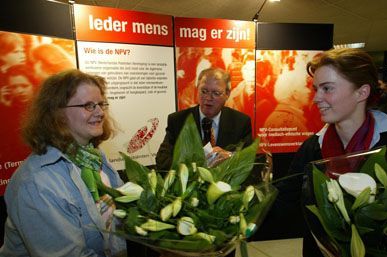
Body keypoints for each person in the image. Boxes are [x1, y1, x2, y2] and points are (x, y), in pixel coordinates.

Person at [273, 48, 387, 257]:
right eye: (316, 89)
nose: (316, 98)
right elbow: (282, 203)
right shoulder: (312, 149)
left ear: (361, 92)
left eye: (327, 88)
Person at [0, 69, 126, 257]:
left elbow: (121, 215)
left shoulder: (94, 157)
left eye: (101, 104)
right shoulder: (37, 183)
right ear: (57, 114)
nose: (100, 112)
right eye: (89, 105)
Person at [156, 67, 253, 171]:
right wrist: (194, 168)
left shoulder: (240, 122)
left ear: (227, 94)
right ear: (197, 89)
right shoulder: (178, 120)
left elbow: (250, 161)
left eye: (216, 93)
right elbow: (162, 160)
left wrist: (230, 156)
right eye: (204, 91)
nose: (208, 98)